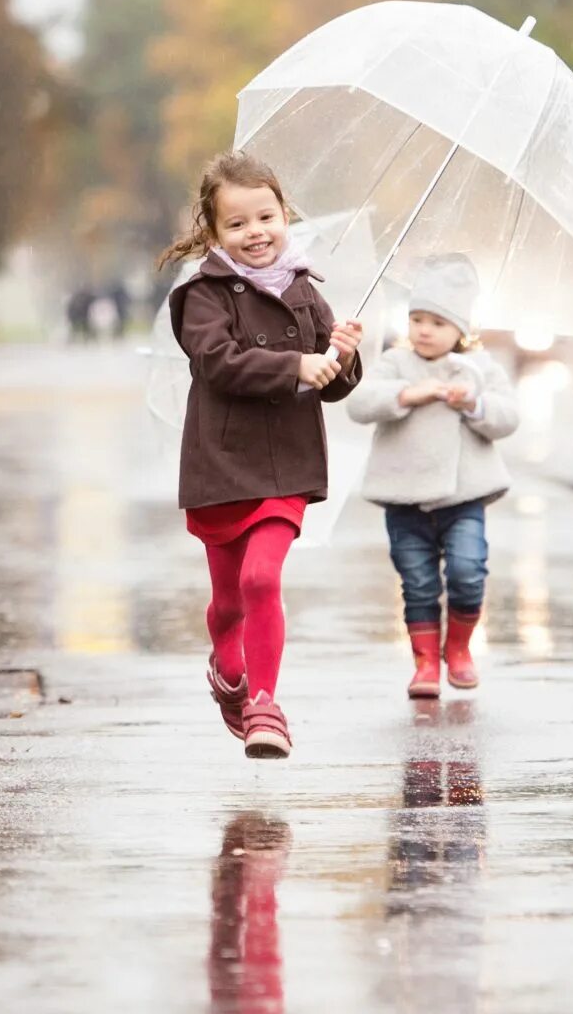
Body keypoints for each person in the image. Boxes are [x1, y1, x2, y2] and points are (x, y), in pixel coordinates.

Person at [161, 151, 363, 759]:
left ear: (285, 216)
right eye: (238, 224)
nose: (256, 233)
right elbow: (216, 363)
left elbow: (333, 384)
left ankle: (265, 705)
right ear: (214, 231)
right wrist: (296, 364)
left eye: (266, 217)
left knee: (260, 577)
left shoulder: (306, 290)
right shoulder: (204, 294)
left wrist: (343, 357)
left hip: (286, 464)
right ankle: (229, 673)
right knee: (228, 601)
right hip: (222, 463)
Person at [346, 254, 520, 699]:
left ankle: (458, 648)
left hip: (463, 497)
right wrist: (408, 393)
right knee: (417, 581)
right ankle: (425, 663)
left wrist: (473, 405)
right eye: (417, 319)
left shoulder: (478, 368)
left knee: (467, 572)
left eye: (437, 323)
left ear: (461, 330)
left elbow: (507, 416)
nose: (424, 330)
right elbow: (360, 403)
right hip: (405, 498)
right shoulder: (395, 363)